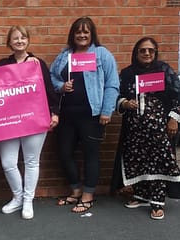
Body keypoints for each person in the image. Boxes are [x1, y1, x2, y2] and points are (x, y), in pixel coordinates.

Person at [50, 17, 120, 213]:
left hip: (92, 114)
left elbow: (112, 83)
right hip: (67, 115)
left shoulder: (101, 54)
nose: (81, 35)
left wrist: (107, 110)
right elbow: (51, 76)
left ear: (92, 34)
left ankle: (88, 195)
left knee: (91, 155)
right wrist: (61, 86)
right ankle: (75, 189)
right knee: (64, 153)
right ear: (73, 35)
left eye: (86, 32)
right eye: (78, 32)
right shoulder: (65, 55)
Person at [0, 25, 60, 220]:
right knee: (8, 162)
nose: (19, 41)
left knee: (32, 161)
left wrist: (55, 113)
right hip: (8, 120)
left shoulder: (37, 63)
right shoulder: (2, 64)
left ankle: (28, 200)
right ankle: (17, 197)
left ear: (28, 40)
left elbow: (50, 90)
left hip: (34, 118)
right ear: (9, 42)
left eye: (23, 37)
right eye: (15, 38)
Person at [114, 37, 180, 220]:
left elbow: (177, 96)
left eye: (150, 50)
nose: (146, 53)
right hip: (134, 129)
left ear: (155, 52)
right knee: (137, 160)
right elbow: (116, 94)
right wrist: (125, 103)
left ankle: (157, 202)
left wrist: (174, 119)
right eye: (142, 50)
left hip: (158, 128)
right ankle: (141, 195)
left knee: (158, 161)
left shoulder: (164, 70)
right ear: (136, 53)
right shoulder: (127, 73)